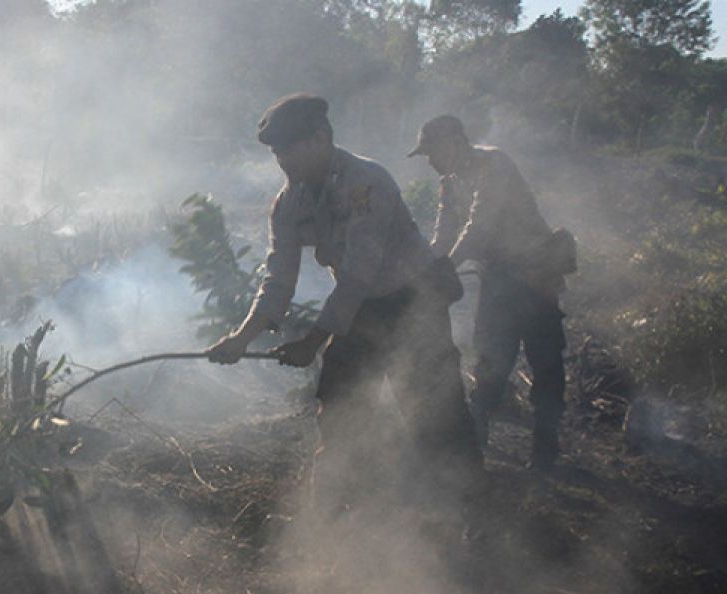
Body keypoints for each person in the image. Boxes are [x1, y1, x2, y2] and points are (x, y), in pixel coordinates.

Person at [206, 93, 482, 501]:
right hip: (362, 309)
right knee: (339, 409)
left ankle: (469, 513)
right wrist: (240, 339)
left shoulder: (367, 183)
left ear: (321, 138)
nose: (283, 159)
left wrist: (311, 342)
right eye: (277, 151)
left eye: (291, 147)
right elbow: (278, 280)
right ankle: (341, 512)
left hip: (415, 301)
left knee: (435, 415)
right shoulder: (288, 203)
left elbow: (356, 277)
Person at [409, 115, 575, 471]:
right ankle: (476, 443)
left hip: (536, 277)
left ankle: (545, 448)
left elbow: (478, 225)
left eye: (431, 151)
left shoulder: (493, 162)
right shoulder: (449, 181)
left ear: (454, 140)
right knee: (489, 360)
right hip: (500, 280)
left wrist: (446, 267)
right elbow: (444, 231)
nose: (430, 161)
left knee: (545, 363)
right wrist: (426, 267)